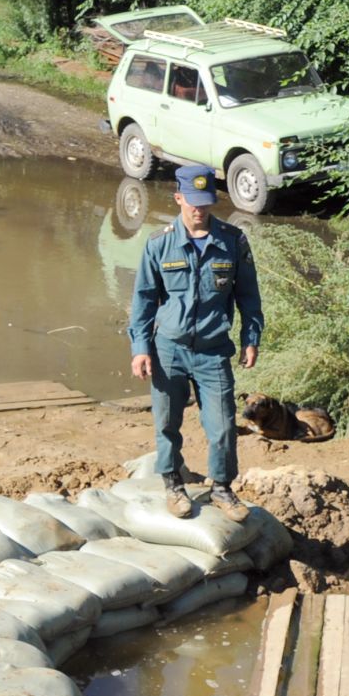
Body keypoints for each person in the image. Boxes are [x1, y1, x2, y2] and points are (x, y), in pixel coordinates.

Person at [128, 164, 263, 521]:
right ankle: (173, 484)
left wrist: (251, 337)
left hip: (213, 350)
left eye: (205, 203)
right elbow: (143, 299)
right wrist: (140, 347)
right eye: (192, 203)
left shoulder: (233, 241)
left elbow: (249, 296)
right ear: (178, 199)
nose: (199, 210)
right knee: (167, 423)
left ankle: (221, 487)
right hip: (168, 349)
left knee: (222, 425)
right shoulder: (159, 243)